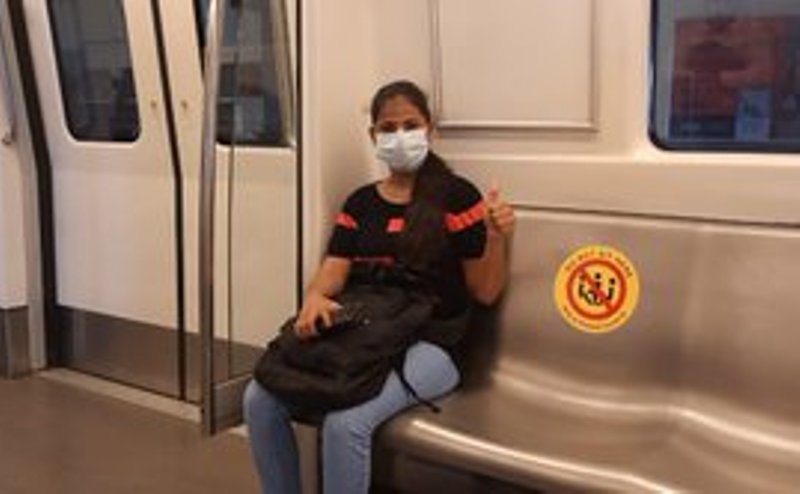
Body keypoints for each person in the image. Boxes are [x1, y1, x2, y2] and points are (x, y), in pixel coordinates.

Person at [243, 80, 516, 494]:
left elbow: (486, 292)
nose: (399, 136)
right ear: (373, 136)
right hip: (370, 333)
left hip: (434, 345)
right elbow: (333, 271)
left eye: (410, 125)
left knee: (345, 423)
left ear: (429, 130)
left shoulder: (457, 197)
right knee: (258, 400)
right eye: (388, 128)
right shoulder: (360, 204)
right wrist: (315, 297)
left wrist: (495, 237)